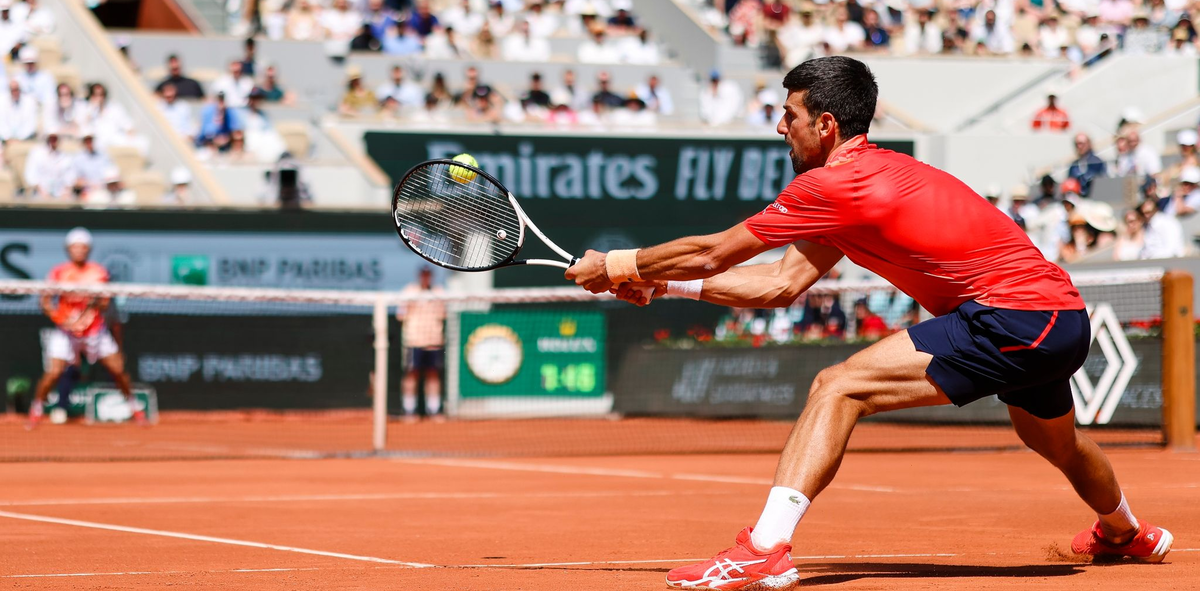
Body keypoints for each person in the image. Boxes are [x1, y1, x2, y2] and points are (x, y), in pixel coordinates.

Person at [565, 56, 1172, 590]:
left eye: (790, 115)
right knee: (1055, 441)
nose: (782, 126)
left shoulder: (831, 185)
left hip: (1013, 316)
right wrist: (662, 282)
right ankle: (1124, 531)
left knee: (839, 385)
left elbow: (714, 252)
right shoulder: (863, 181)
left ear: (825, 125)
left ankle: (764, 551)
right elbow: (779, 284)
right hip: (1055, 319)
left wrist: (618, 262)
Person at [28, 228, 145, 429]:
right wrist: (63, 319)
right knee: (53, 372)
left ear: (88, 249)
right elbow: (45, 301)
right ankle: (36, 409)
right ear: (68, 249)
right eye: (75, 247)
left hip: (94, 331)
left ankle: (134, 406)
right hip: (66, 332)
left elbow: (105, 303)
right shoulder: (59, 272)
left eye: (83, 247)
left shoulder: (99, 272)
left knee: (117, 369)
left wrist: (94, 304)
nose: (79, 250)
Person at [396, 267, 445, 419]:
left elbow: (443, 314)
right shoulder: (409, 291)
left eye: (428, 275)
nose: (425, 278)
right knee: (411, 374)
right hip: (414, 341)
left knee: (433, 375)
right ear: (419, 276)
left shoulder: (439, 292)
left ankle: (434, 410)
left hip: (434, 341)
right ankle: (409, 410)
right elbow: (400, 315)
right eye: (423, 275)